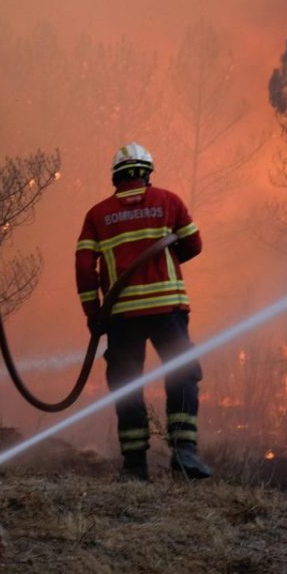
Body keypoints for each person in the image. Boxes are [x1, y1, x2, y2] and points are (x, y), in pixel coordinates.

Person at [75, 142, 212, 481]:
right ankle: (184, 451)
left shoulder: (97, 215)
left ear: (116, 177)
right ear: (147, 173)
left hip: (122, 315)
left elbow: (84, 268)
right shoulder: (169, 201)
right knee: (181, 372)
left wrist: (93, 313)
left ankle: (135, 465)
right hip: (167, 308)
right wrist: (166, 259)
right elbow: (193, 244)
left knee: (126, 383)